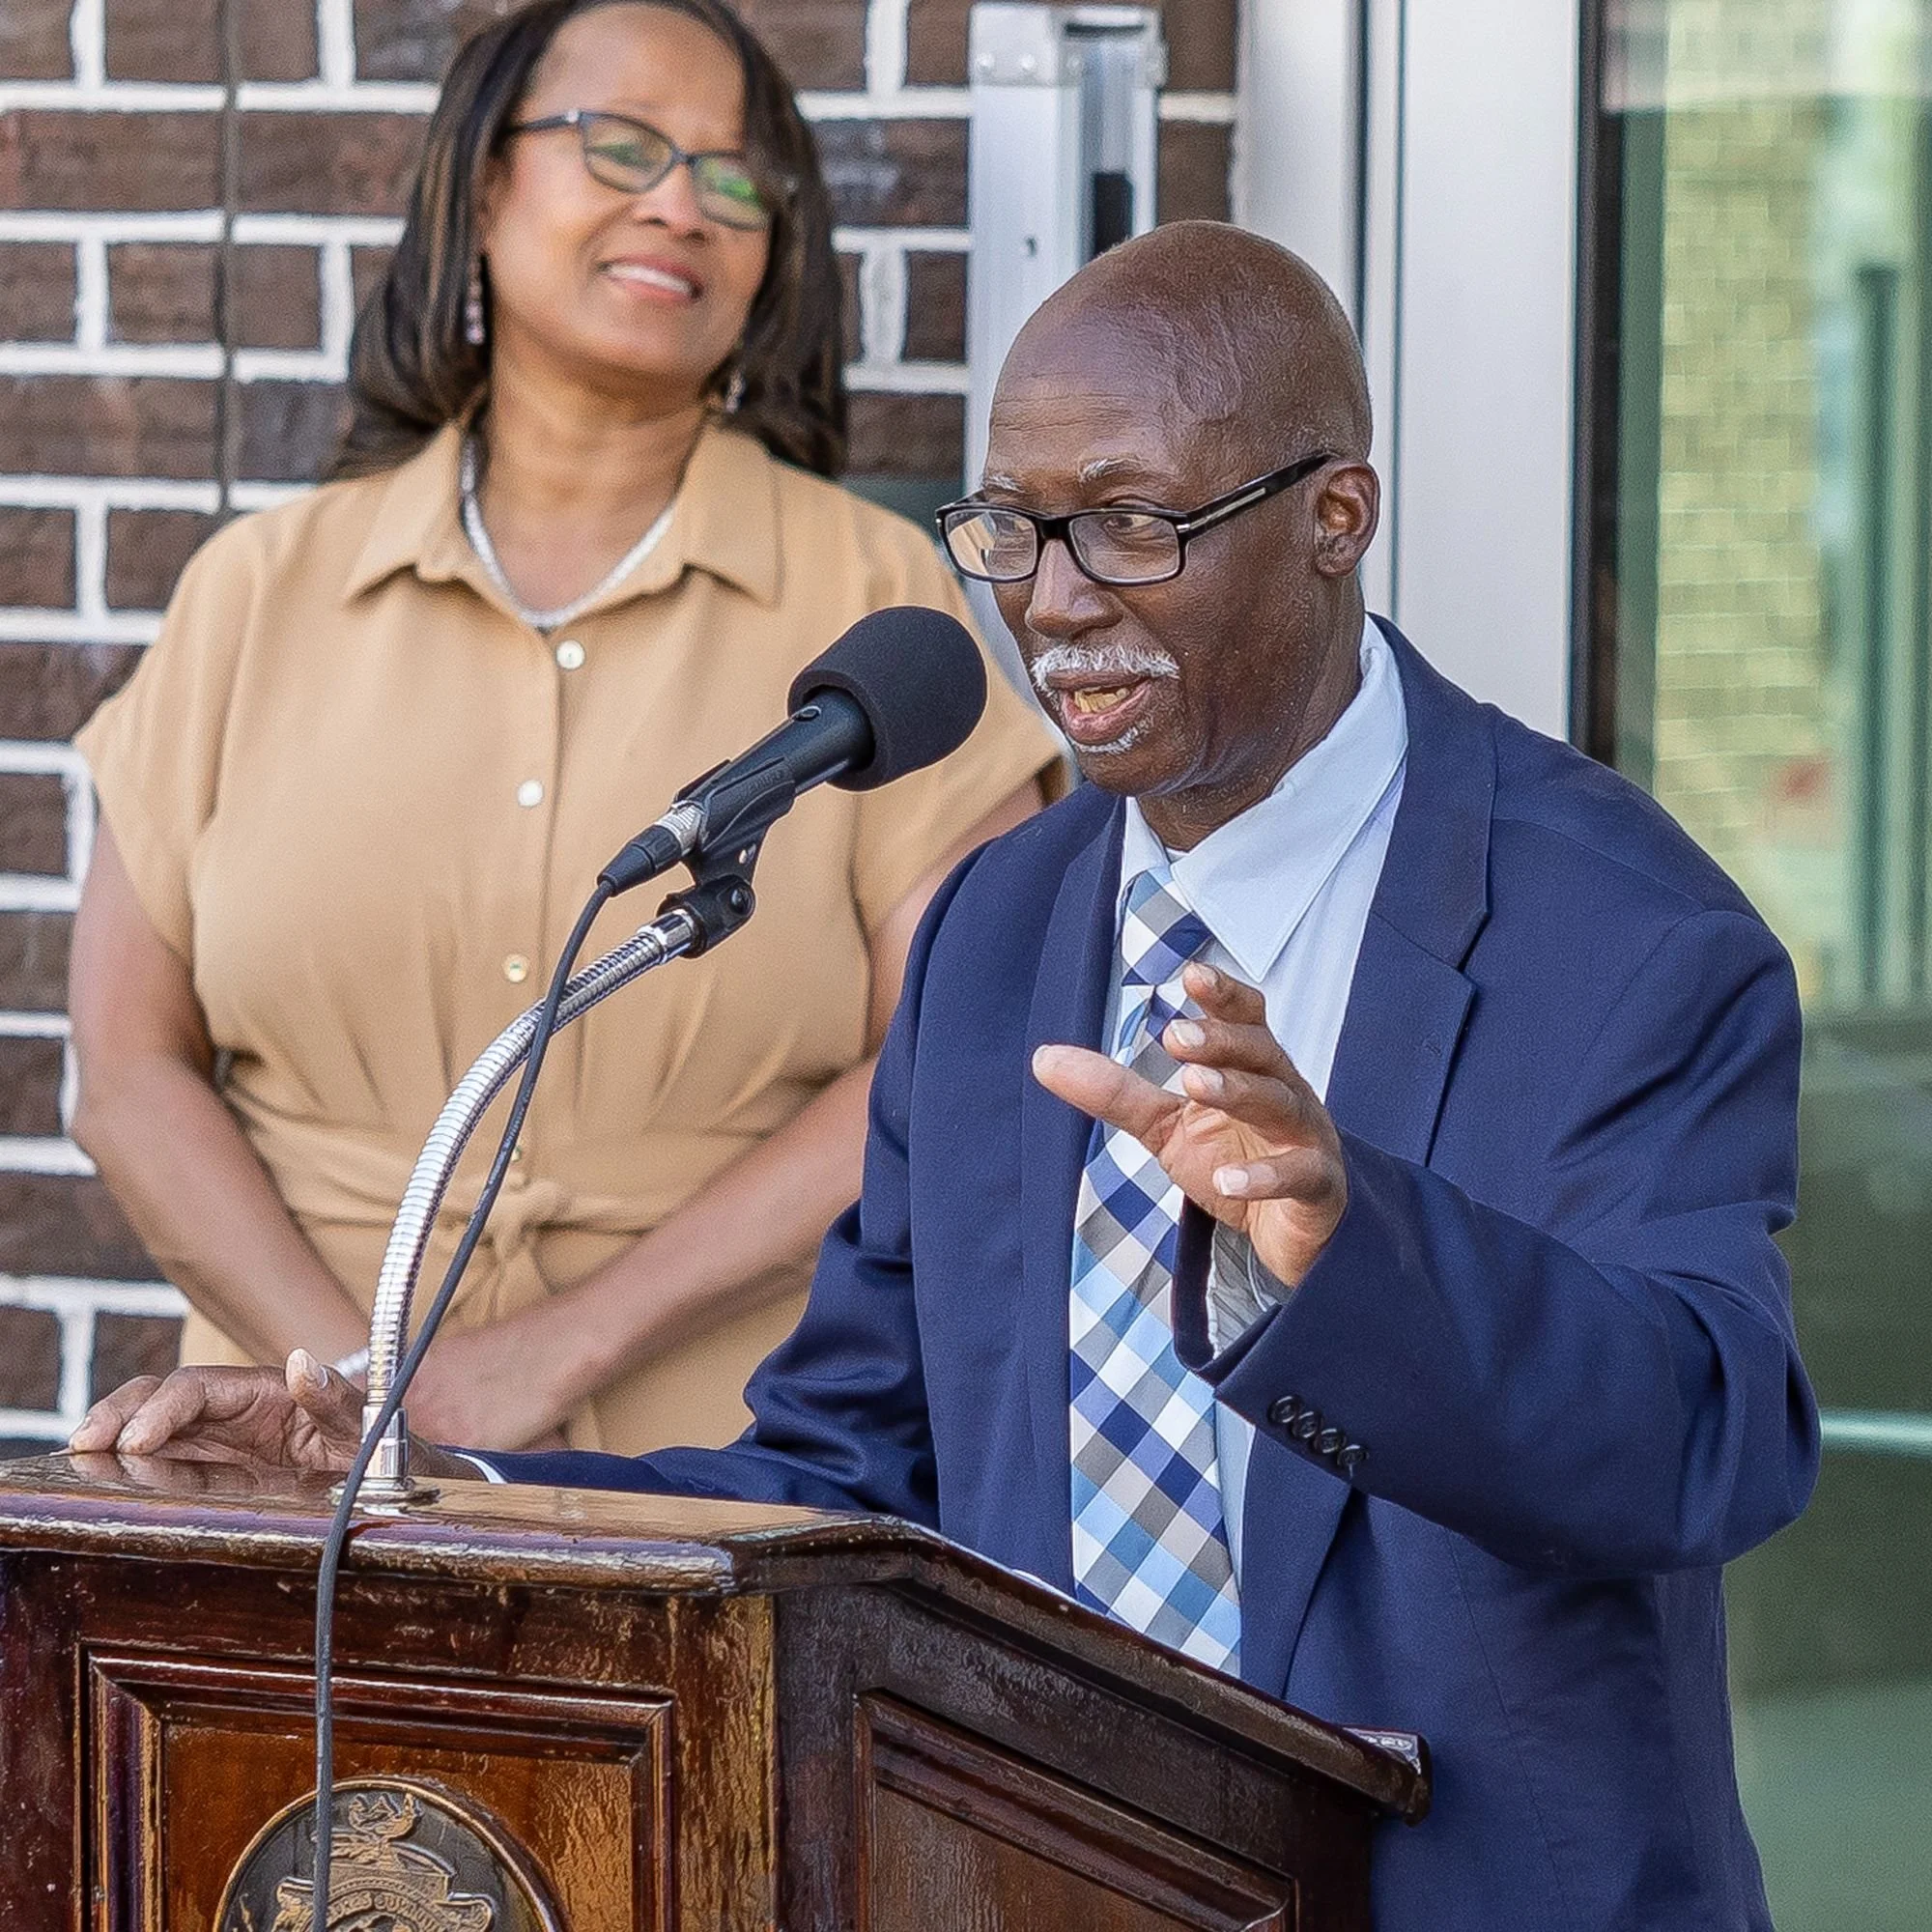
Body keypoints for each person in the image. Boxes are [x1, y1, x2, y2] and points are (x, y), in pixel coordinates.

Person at [75, 222, 1819, 1932]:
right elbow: (850, 1477)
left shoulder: (1627, 934)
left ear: (1334, 517)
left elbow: (1710, 1446)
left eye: (1132, 526)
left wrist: (1353, 1251)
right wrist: (400, 1486)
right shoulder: (1002, 927)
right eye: (1012, 532)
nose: (1052, 607)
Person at [65, 0, 1056, 1459]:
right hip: (277, 1461)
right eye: (623, 144)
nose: (681, 201)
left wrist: (557, 1351)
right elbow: (127, 1072)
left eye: (732, 177)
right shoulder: (253, 595)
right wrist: (350, 1385)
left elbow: (953, 1056)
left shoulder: (872, 600)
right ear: (479, 187)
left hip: (719, 1473)